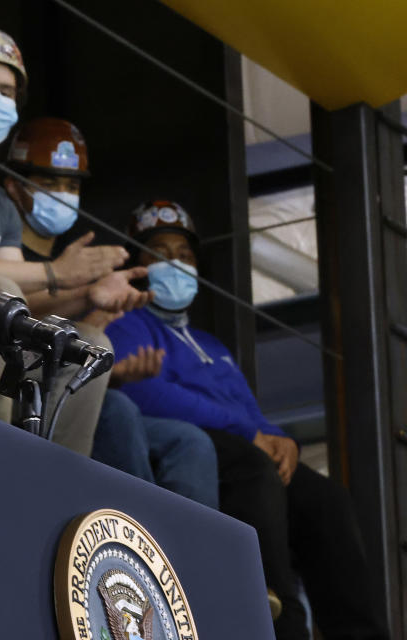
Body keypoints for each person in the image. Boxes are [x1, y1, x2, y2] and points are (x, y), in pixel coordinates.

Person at [105, 200, 389, 640]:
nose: (175, 263)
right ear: (138, 267)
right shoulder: (126, 324)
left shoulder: (209, 343)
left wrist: (280, 438)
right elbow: (147, 392)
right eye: (159, 253)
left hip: (241, 443)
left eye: (184, 254)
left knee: (326, 498)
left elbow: (249, 410)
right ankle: (281, 626)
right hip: (194, 446)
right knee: (255, 470)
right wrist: (251, 435)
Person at [0, 28, 145, 456]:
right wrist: (57, 273)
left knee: (86, 343)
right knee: (1, 297)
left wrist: (88, 294)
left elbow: (24, 307)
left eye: (6, 92)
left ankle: (55, 473)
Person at [2, 119, 216, 508]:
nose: (63, 195)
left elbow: (78, 347)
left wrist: (113, 368)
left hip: (62, 388)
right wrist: (86, 298)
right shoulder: (8, 250)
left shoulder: (77, 263)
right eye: (50, 183)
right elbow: (14, 313)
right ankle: (135, 542)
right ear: (14, 185)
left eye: (71, 185)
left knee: (190, 441)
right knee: (118, 411)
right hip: (13, 383)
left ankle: (177, 559)